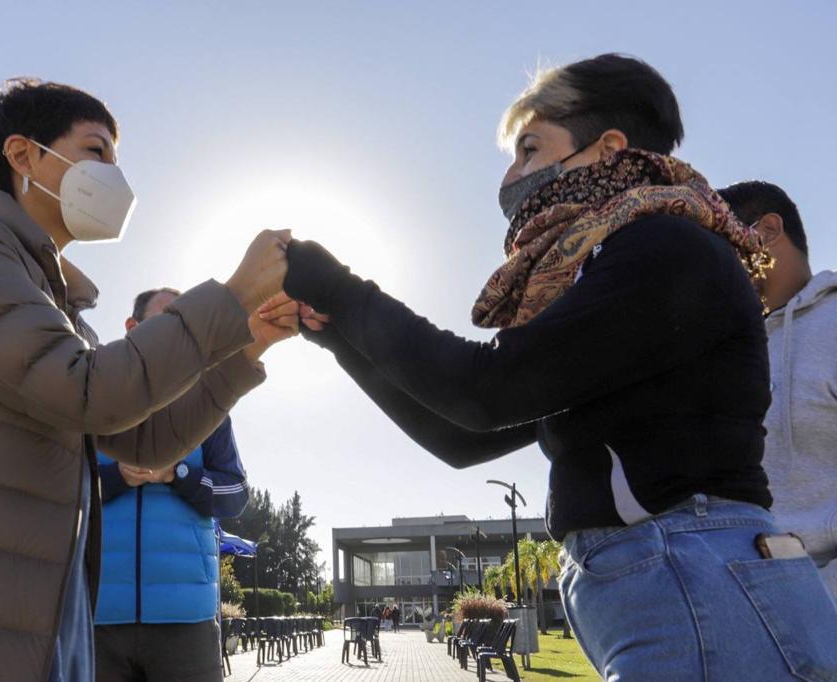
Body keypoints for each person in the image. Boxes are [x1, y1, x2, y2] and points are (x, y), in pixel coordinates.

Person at [267, 54, 837, 679]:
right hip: (679, 579)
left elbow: (484, 391)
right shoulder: (612, 274)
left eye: (529, 149)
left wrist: (334, 284)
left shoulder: (666, 248)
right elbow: (463, 435)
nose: (512, 176)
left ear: (607, 148)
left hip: (695, 575)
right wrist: (338, 337)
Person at [0, 79, 296, 682]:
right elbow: (89, 392)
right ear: (23, 155)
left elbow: (144, 439)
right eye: (97, 152)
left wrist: (247, 344)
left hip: (19, 622)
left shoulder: (49, 298)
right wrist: (230, 294)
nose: (114, 177)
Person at [94, 287, 255, 682]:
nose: (178, 340)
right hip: (98, 620)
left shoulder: (209, 405)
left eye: (187, 330)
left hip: (188, 622)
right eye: (167, 324)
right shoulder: (93, 396)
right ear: (132, 328)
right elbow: (60, 491)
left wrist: (177, 474)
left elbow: (236, 496)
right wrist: (116, 477)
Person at [717, 181, 837, 597]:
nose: (709, 266)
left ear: (766, 230)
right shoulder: (722, 349)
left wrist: (822, 601)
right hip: (744, 605)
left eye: (719, 246)